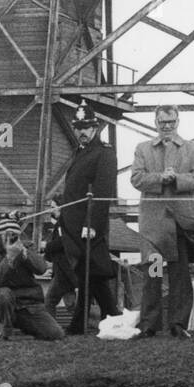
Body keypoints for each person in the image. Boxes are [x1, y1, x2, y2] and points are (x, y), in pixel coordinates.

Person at [130, 104, 194, 340]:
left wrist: (177, 179)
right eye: (162, 123)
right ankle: (149, 324)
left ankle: (178, 323)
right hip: (153, 227)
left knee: (180, 274)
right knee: (153, 274)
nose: (167, 127)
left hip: (181, 224)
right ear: (155, 122)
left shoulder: (193, 149)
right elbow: (136, 178)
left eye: (171, 122)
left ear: (177, 122)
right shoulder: (142, 149)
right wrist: (159, 178)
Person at [50, 100, 119, 335]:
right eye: (78, 127)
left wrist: (92, 225)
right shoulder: (80, 153)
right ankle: (108, 317)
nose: (81, 132)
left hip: (86, 227)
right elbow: (75, 191)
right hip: (71, 225)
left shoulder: (104, 154)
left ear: (96, 128)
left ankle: (87, 322)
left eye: (86, 127)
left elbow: (102, 193)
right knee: (89, 274)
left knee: (91, 272)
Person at [0, 213, 65, 342]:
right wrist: (9, 259)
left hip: (27, 303)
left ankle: (25, 326)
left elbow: (41, 269)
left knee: (55, 333)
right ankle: (5, 331)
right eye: (7, 235)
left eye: (15, 235)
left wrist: (25, 255)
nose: (11, 238)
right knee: (4, 294)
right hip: (0, 303)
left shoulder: (25, 245)